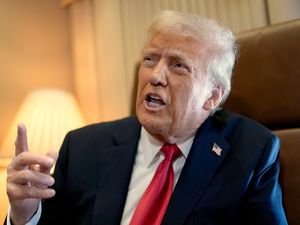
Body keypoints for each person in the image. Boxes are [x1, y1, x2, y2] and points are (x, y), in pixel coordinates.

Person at [5, 10, 288, 225]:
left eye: (178, 66)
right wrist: (25, 213)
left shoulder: (250, 152)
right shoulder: (83, 147)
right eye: (150, 59)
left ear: (212, 97)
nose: (154, 76)